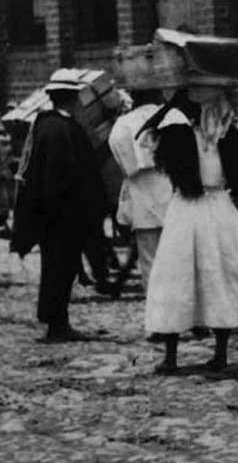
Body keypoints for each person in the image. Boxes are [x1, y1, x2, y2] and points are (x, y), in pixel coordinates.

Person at [143, 98, 238, 374]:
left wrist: (169, 104)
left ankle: (171, 356)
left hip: (186, 211)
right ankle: (220, 353)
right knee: (220, 278)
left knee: (176, 279)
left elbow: (145, 137)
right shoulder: (229, 137)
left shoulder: (176, 137)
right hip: (219, 209)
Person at [12, 69, 109, 343]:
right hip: (63, 214)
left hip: (51, 214)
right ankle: (57, 324)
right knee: (60, 269)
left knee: (56, 267)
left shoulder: (45, 125)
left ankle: (56, 320)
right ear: (75, 98)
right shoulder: (62, 130)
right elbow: (61, 176)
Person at [109, 90, 169, 285]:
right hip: (170, 192)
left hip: (142, 198)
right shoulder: (169, 116)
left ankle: (153, 304)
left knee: (149, 259)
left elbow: (119, 154)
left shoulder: (122, 124)